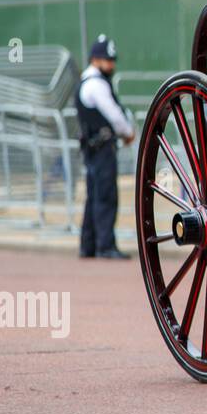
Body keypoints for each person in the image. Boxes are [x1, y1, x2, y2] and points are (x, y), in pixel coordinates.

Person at [75, 35, 134, 259]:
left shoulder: (85, 81)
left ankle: (88, 245)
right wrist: (128, 132)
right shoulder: (96, 84)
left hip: (92, 150)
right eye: (108, 60)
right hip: (102, 150)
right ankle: (105, 245)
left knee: (93, 197)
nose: (112, 65)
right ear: (96, 60)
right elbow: (114, 115)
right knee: (105, 197)